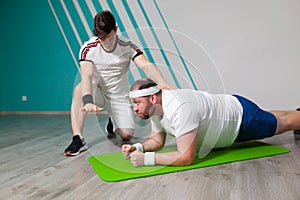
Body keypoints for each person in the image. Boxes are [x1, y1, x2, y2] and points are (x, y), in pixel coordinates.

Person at [122, 78, 300, 167]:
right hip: (233, 108)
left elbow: (186, 157)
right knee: (274, 118)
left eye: (137, 103)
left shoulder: (180, 108)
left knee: (283, 123)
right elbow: (157, 140)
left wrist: (147, 160)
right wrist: (138, 148)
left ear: (152, 98)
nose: (135, 109)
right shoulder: (155, 108)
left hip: (240, 120)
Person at [64, 11, 172, 156]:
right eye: (102, 39)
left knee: (127, 135)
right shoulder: (88, 48)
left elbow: (145, 65)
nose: (106, 43)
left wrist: (163, 83)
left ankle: (112, 123)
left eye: (109, 37)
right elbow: (87, 75)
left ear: (116, 29)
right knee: (79, 90)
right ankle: (78, 138)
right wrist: (88, 101)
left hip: (119, 96)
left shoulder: (127, 45)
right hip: (98, 92)